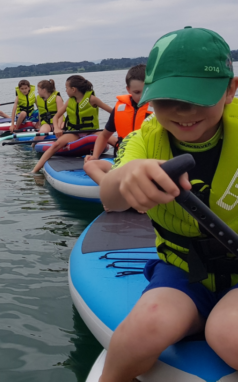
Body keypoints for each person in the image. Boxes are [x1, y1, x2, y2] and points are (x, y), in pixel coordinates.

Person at [98, 26, 238, 381]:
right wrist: (126, 177)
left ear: (230, 91)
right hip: (181, 272)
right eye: (165, 100)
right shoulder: (143, 139)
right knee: (141, 330)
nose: (181, 111)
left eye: (196, 97)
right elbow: (110, 197)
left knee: (229, 334)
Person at [84, 65, 152, 184]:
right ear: (128, 90)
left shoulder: (158, 109)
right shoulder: (120, 108)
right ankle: (115, 187)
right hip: (122, 161)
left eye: (146, 90)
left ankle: (117, 186)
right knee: (90, 165)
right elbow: (104, 136)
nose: (142, 96)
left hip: (148, 162)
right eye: (137, 92)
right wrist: (94, 156)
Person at [30, 75, 113, 174]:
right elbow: (56, 117)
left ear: (73, 89)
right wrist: (56, 128)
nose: (65, 90)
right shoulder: (70, 101)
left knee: (114, 140)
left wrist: (111, 128)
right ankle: (34, 170)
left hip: (92, 131)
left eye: (66, 88)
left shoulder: (92, 99)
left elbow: (113, 113)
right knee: (56, 144)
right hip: (75, 133)